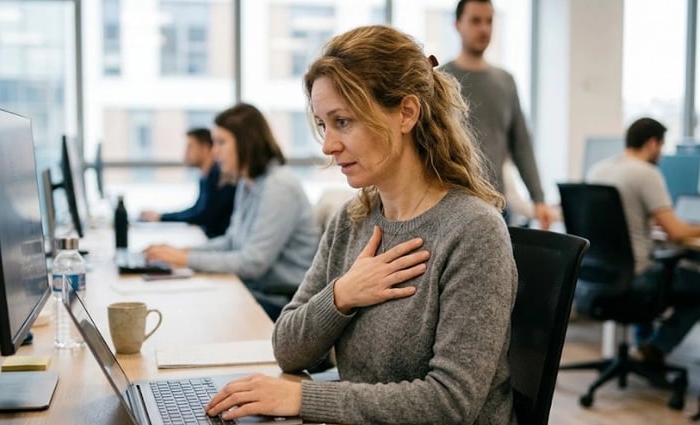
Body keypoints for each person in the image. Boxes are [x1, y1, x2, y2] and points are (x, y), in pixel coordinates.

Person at [205, 25, 517, 425]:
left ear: (406, 113)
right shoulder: (352, 221)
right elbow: (287, 348)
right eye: (323, 124)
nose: (328, 145)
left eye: (343, 122)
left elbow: (450, 404)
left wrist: (305, 399)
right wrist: (342, 294)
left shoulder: (473, 231)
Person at [143, 104, 319, 321]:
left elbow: (252, 263)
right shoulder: (248, 183)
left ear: (247, 142)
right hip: (254, 292)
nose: (214, 152)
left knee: (193, 314)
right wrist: (184, 251)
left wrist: (185, 258)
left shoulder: (279, 187)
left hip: (282, 304)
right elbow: (231, 241)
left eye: (221, 142)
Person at [588, 117, 700, 365]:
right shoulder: (646, 173)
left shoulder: (599, 170)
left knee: (659, 272)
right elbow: (676, 232)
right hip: (638, 277)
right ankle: (656, 347)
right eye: (662, 146)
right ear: (652, 144)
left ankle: (645, 347)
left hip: (603, 275)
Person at [440, 0, 552, 229]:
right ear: (457, 25)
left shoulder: (505, 82)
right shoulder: (441, 80)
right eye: (475, 21)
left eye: (489, 21)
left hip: (496, 205)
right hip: (450, 204)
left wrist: (538, 198)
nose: (484, 29)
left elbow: (522, 145)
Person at [139, 128, 235, 238]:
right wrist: (161, 217)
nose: (185, 153)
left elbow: (202, 216)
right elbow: (196, 210)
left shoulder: (222, 177)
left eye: (190, 147)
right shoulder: (205, 177)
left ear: (206, 148)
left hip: (218, 242)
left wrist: (162, 217)